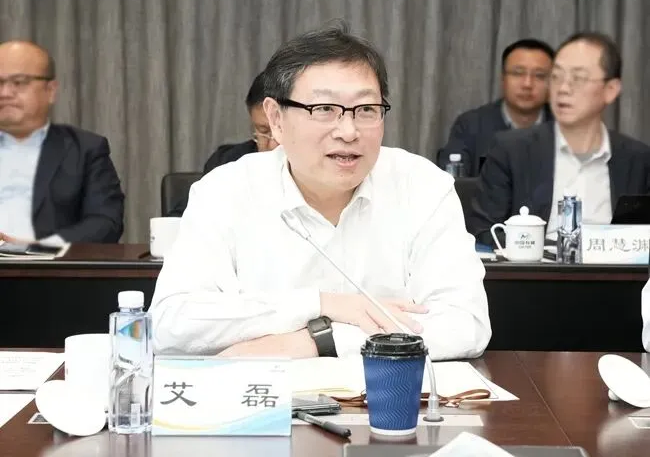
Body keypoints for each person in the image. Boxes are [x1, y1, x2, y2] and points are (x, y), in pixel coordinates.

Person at [151, 21, 491, 360]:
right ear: (276, 120)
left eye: (366, 110)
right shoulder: (225, 191)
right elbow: (171, 325)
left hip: (384, 390)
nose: (348, 131)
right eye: (324, 109)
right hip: (267, 392)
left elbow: (465, 325)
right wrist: (318, 304)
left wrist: (319, 342)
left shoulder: (422, 186)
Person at [469, 32, 650, 247]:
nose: (563, 88)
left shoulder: (638, 160)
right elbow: (482, 231)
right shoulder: (511, 151)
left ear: (610, 90)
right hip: (534, 268)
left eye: (578, 78)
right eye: (556, 77)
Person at [0, 40, 124, 244]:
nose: (5, 93)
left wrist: (40, 248)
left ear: (50, 90)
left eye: (19, 82)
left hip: (51, 261)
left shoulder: (85, 150)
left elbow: (105, 222)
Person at [438, 39, 554, 176]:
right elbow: (452, 182)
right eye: (518, 73)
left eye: (539, 75)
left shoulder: (564, 128)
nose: (527, 84)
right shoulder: (470, 125)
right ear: (503, 79)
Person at [167, 71, 277, 216]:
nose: (272, 145)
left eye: (280, 130)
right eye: (263, 131)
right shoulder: (227, 161)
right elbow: (181, 217)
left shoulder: (307, 171)